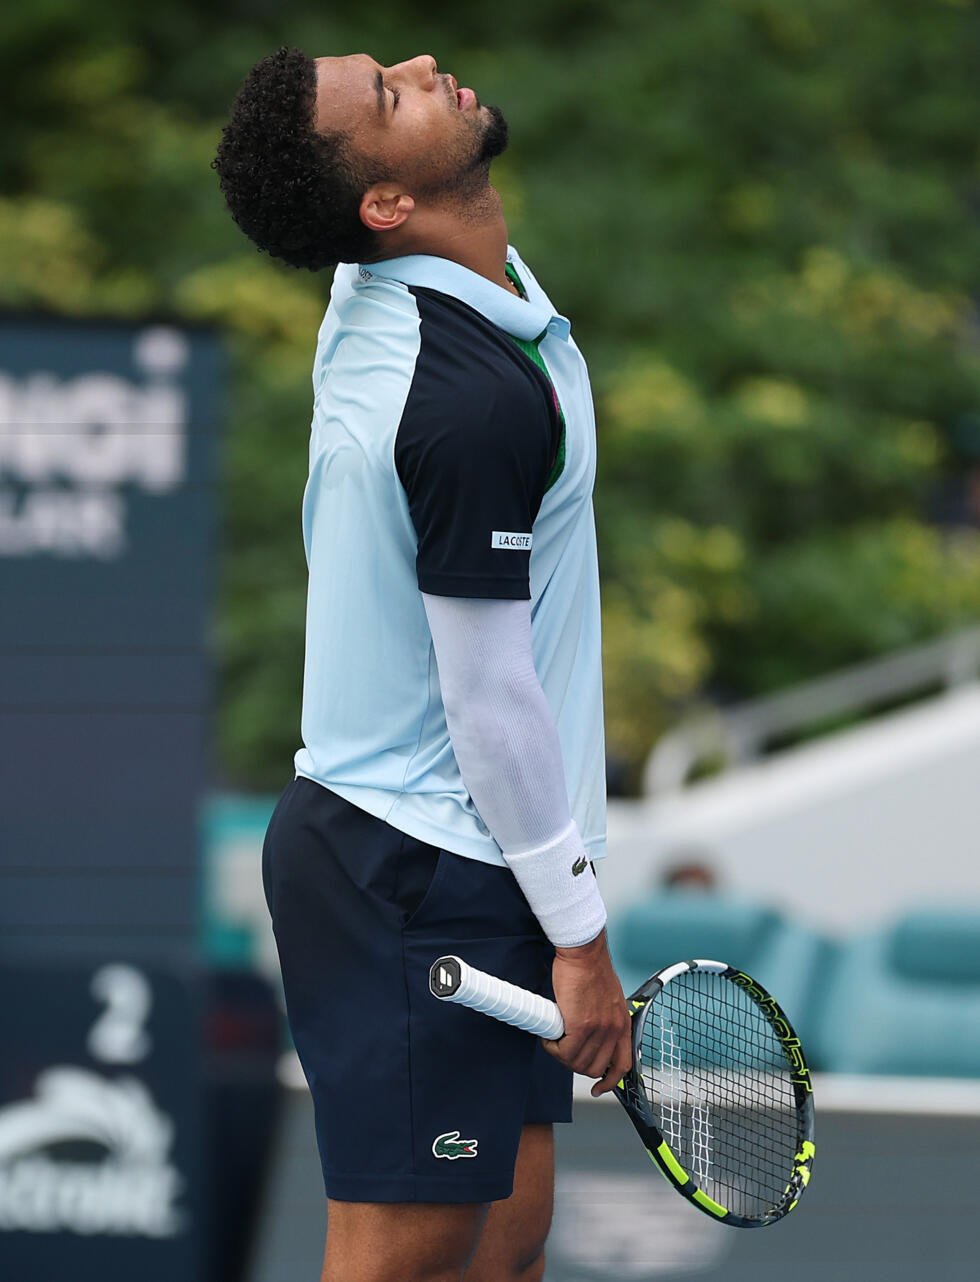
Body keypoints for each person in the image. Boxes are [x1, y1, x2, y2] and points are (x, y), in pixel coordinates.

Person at [213, 47, 631, 1282]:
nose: (422, 65)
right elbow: (487, 694)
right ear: (383, 209)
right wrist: (581, 935)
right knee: (400, 1268)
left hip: (466, 855)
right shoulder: (459, 403)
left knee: (503, 1254)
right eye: (388, 94)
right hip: (411, 869)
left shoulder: (443, 286)